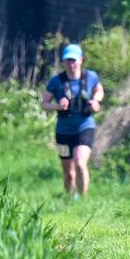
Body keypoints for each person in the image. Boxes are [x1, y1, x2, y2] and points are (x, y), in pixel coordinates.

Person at [41, 43, 105, 199]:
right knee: (68, 172)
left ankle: (83, 198)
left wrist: (96, 101)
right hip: (63, 131)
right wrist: (57, 105)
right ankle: (70, 198)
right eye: (68, 60)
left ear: (81, 60)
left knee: (80, 163)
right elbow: (44, 104)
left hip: (85, 126)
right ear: (63, 62)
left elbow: (99, 90)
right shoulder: (56, 81)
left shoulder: (90, 77)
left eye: (74, 60)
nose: (71, 64)